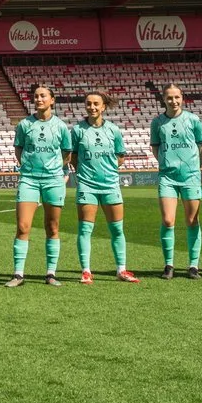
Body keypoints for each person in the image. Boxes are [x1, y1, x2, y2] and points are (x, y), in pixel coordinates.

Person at [9, 84, 74, 285]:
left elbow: (67, 153)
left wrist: (54, 170)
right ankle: (18, 274)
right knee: (22, 226)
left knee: (52, 227)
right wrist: (28, 167)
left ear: (52, 100)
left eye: (43, 96)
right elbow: (18, 149)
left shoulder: (61, 126)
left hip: (53, 180)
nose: (39, 99)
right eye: (36, 96)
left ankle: (50, 273)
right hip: (29, 179)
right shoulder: (24, 125)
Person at [71, 90, 136, 284]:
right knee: (85, 230)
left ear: (103, 107)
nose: (92, 107)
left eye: (96, 104)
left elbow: (121, 156)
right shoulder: (77, 130)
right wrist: (86, 172)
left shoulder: (114, 130)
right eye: (88, 103)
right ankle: (86, 271)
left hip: (110, 185)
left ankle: (121, 270)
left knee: (117, 230)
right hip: (87, 185)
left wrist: (107, 170)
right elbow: (73, 156)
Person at [150, 83, 202, 281]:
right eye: (169, 98)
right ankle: (169, 264)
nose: (173, 101)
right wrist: (165, 164)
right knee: (168, 220)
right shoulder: (157, 122)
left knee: (193, 220)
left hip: (191, 176)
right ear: (164, 99)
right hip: (168, 177)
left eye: (177, 97)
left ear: (182, 98)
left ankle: (193, 265)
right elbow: (156, 147)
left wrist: (195, 168)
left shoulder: (193, 120)